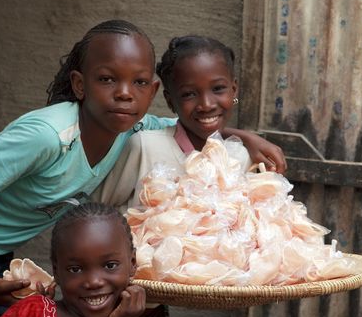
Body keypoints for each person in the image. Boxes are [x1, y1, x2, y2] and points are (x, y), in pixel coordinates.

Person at [0, 20, 284, 317]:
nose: (124, 93)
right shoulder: (48, 136)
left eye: (138, 82)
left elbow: (189, 119)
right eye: (107, 79)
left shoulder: (129, 126)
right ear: (79, 84)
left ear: (153, 91)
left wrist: (243, 137)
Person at [92, 35, 264, 208]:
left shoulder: (240, 157)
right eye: (189, 94)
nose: (206, 105)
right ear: (170, 101)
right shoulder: (145, 147)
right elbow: (94, 210)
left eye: (218, 89)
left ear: (234, 90)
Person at [0, 202, 146, 317]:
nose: (94, 281)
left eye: (110, 265)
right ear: (56, 271)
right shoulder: (34, 314)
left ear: (132, 264)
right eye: (76, 269)